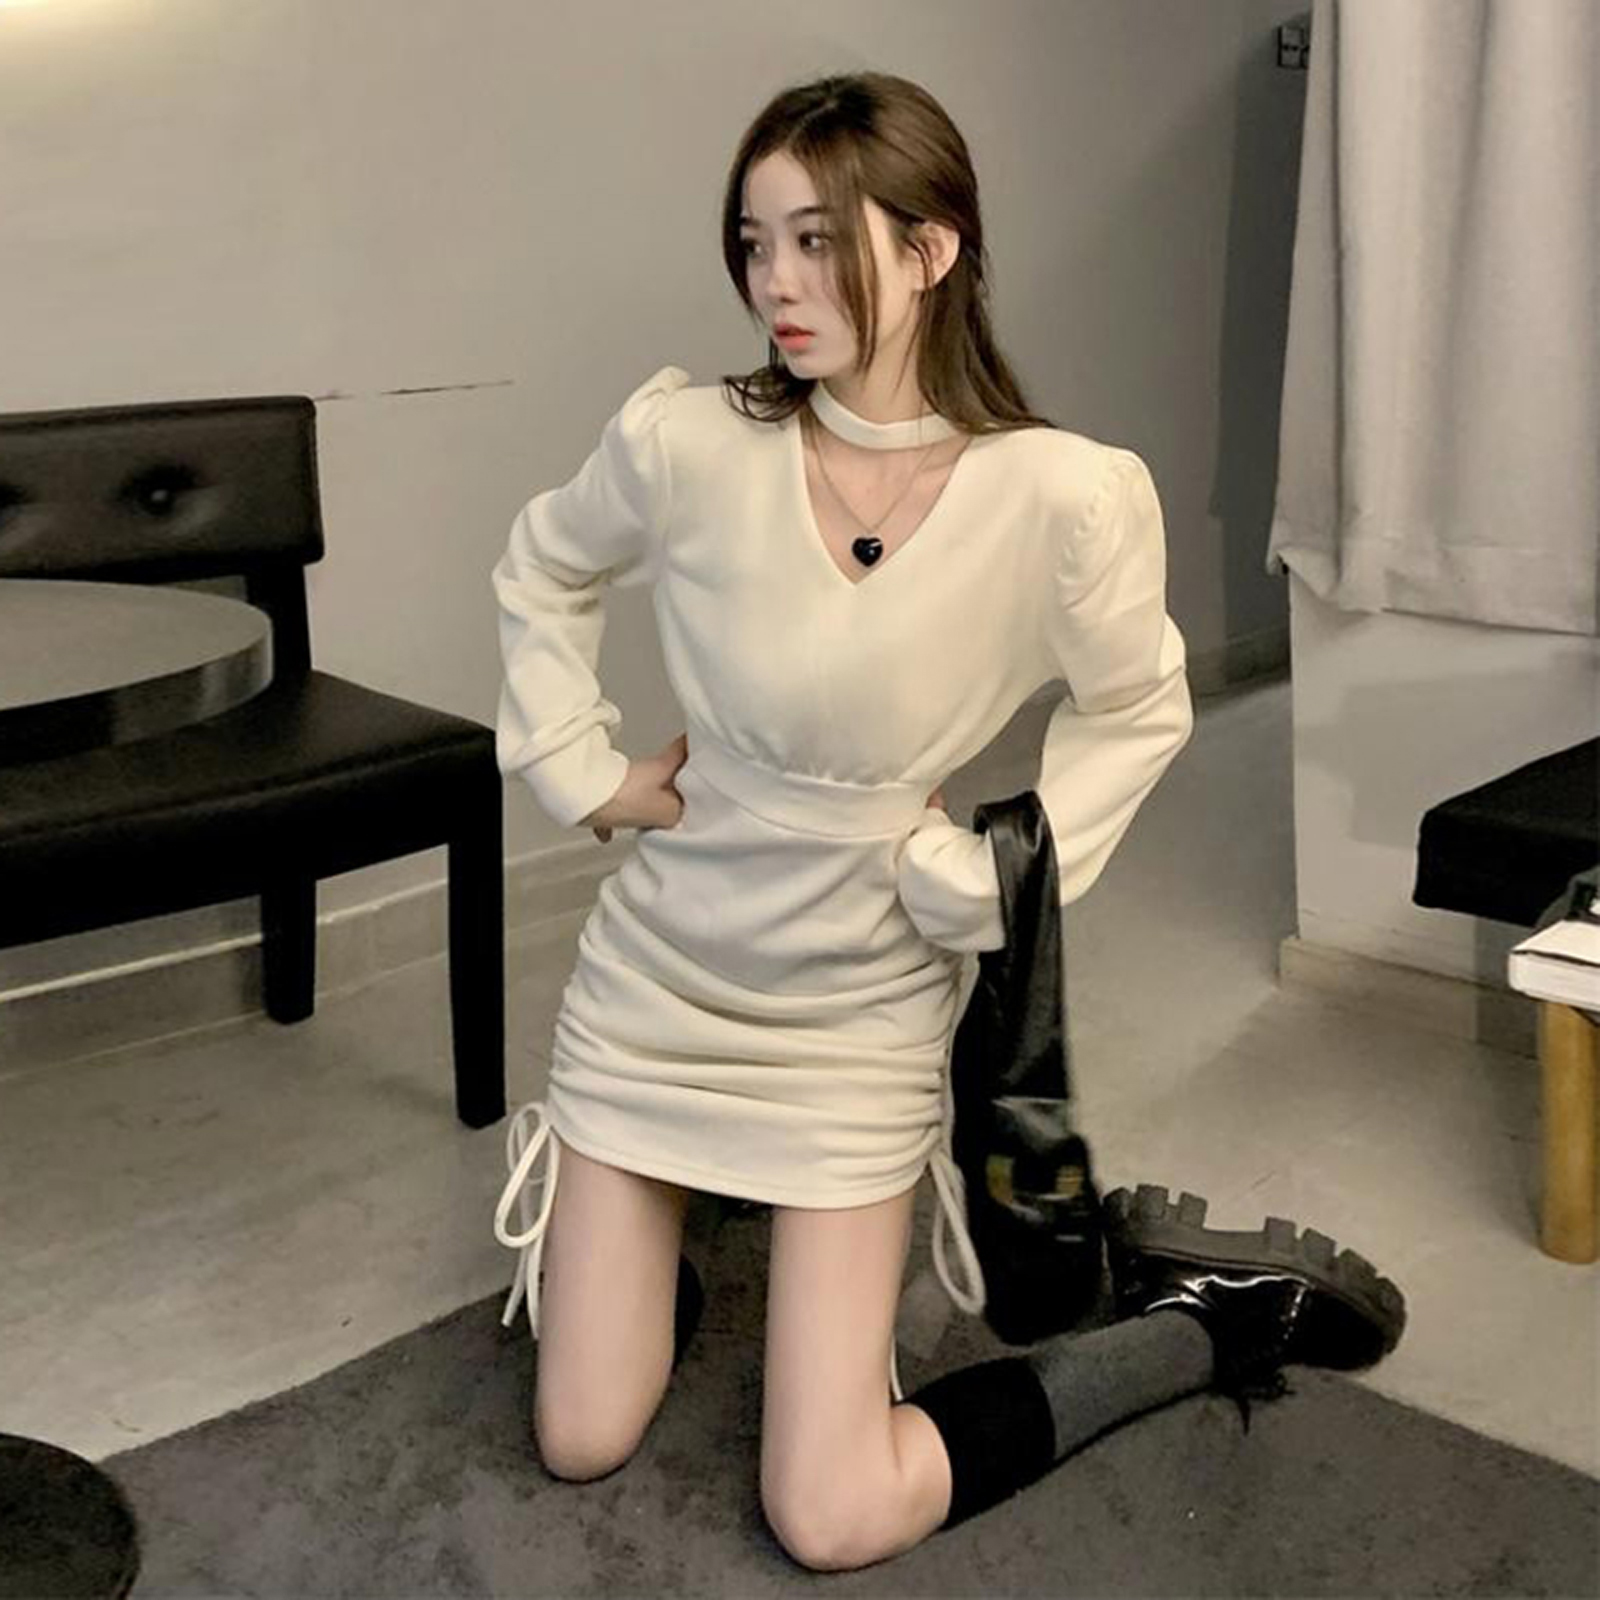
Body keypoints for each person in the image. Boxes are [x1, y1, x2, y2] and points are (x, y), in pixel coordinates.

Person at [490, 70, 1406, 1574]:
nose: (774, 283)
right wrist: (585, 771)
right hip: (657, 982)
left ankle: (1193, 1325)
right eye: (753, 243)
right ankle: (651, 1239)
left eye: (817, 241)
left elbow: (1140, 705)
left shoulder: (1059, 495)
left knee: (831, 1510)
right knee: (580, 1434)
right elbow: (543, 565)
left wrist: (989, 876)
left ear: (930, 250)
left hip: (854, 1005)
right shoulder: (687, 441)